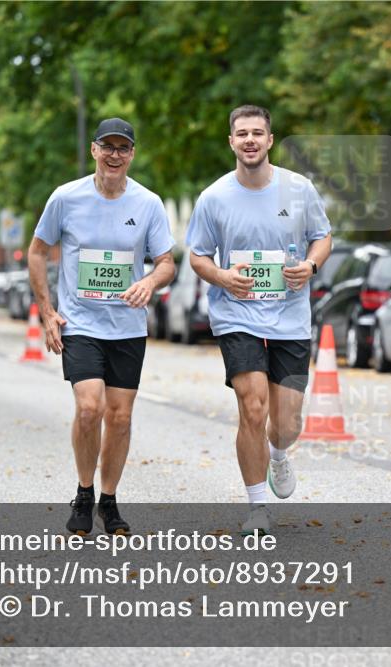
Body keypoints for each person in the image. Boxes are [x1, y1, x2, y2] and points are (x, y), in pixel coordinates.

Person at [185, 105, 332, 535]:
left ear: (269, 140)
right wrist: (222, 277)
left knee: (285, 423)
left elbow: (322, 236)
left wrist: (311, 265)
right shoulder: (214, 197)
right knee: (252, 405)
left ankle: (279, 455)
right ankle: (257, 509)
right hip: (237, 314)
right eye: (241, 133)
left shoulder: (299, 189)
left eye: (257, 133)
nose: (249, 140)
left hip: (288, 315)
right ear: (231, 142)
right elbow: (197, 254)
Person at [29, 118, 175, 536]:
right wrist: (47, 309)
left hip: (127, 327)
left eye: (123, 148)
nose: (115, 155)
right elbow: (37, 253)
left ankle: (109, 501)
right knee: (90, 407)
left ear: (132, 154)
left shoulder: (148, 203)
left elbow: (167, 262)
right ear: (94, 150)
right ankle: (84, 492)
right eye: (107, 147)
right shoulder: (66, 198)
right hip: (80, 322)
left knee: (121, 417)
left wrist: (149, 280)